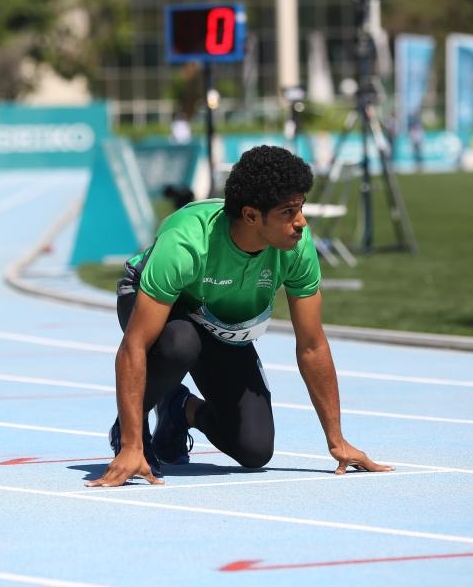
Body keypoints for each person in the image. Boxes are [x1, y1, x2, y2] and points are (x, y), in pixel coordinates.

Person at [88, 145, 392, 486]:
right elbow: (134, 346)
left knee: (254, 450)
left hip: (217, 323)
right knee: (179, 342)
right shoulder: (188, 241)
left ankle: (179, 409)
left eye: (301, 208)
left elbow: (312, 345)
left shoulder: (297, 247)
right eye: (288, 212)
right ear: (250, 215)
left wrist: (337, 441)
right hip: (159, 306)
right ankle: (133, 433)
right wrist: (131, 444)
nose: (301, 222)